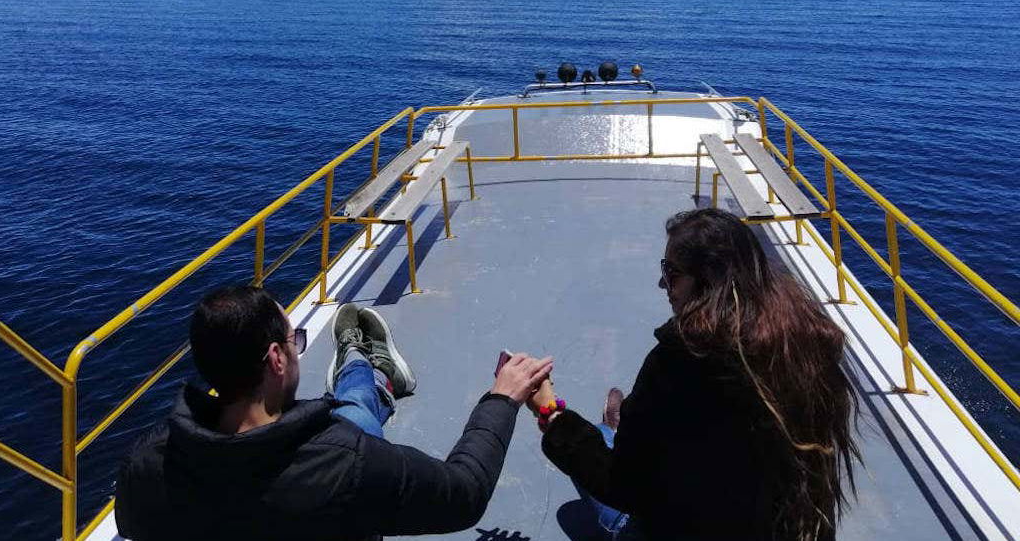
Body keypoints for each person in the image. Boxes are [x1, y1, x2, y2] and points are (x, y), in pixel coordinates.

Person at [115, 285, 553, 541]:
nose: (297, 348)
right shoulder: (344, 460)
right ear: (276, 359)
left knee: (352, 411)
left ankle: (363, 365)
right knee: (355, 413)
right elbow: (464, 495)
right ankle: (364, 366)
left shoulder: (148, 462)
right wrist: (502, 399)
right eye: (296, 340)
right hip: (344, 449)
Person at [529, 208, 860, 541]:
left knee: (590, 445)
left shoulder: (678, 364)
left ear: (708, 282)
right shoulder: (809, 346)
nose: (662, 283)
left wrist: (551, 413)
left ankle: (624, 428)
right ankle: (631, 428)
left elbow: (622, 487)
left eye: (672, 273)